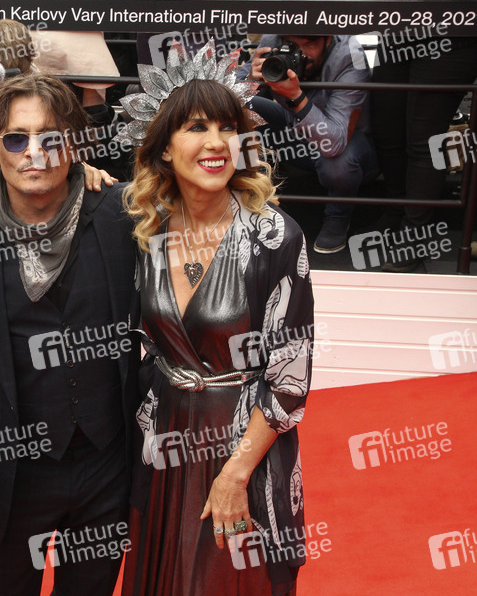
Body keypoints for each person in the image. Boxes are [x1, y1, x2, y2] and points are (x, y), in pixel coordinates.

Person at [0, 73, 141, 596]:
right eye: (15, 138)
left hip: (106, 461)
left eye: (52, 137)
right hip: (11, 470)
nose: (34, 152)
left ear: (73, 145)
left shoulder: (120, 216)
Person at [118, 52, 314, 595]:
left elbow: (290, 377)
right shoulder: (144, 228)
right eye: (197, 127)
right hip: (162, 443)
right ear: (163, 147)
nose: (217, 143)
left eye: (229, 128)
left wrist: (236, 474)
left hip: (241, 446)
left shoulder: (274, 236)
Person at [0, 19, 121, 216]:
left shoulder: (52, 99)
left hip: (39, 211)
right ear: (33, 56)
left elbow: (69, 151)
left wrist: (81, 168)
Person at [242, 34, 379, 255]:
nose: (300, 53)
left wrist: (296, 96)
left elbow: (334, 142)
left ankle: (338, 215)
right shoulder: (272, 41)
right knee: (242, 106)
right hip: (293, 132)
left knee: (338, 160)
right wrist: (249, 80)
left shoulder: (350, 56)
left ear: (328, 38)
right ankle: (250, 197)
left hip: (347, 143)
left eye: (309, 44)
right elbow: (227, 95)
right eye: (292, 45)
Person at [370, 0, 477, 272]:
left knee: (424, 141)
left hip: (454, 28)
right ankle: (397, 210)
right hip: (397, 23)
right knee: (387, 132)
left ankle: (415, 232)